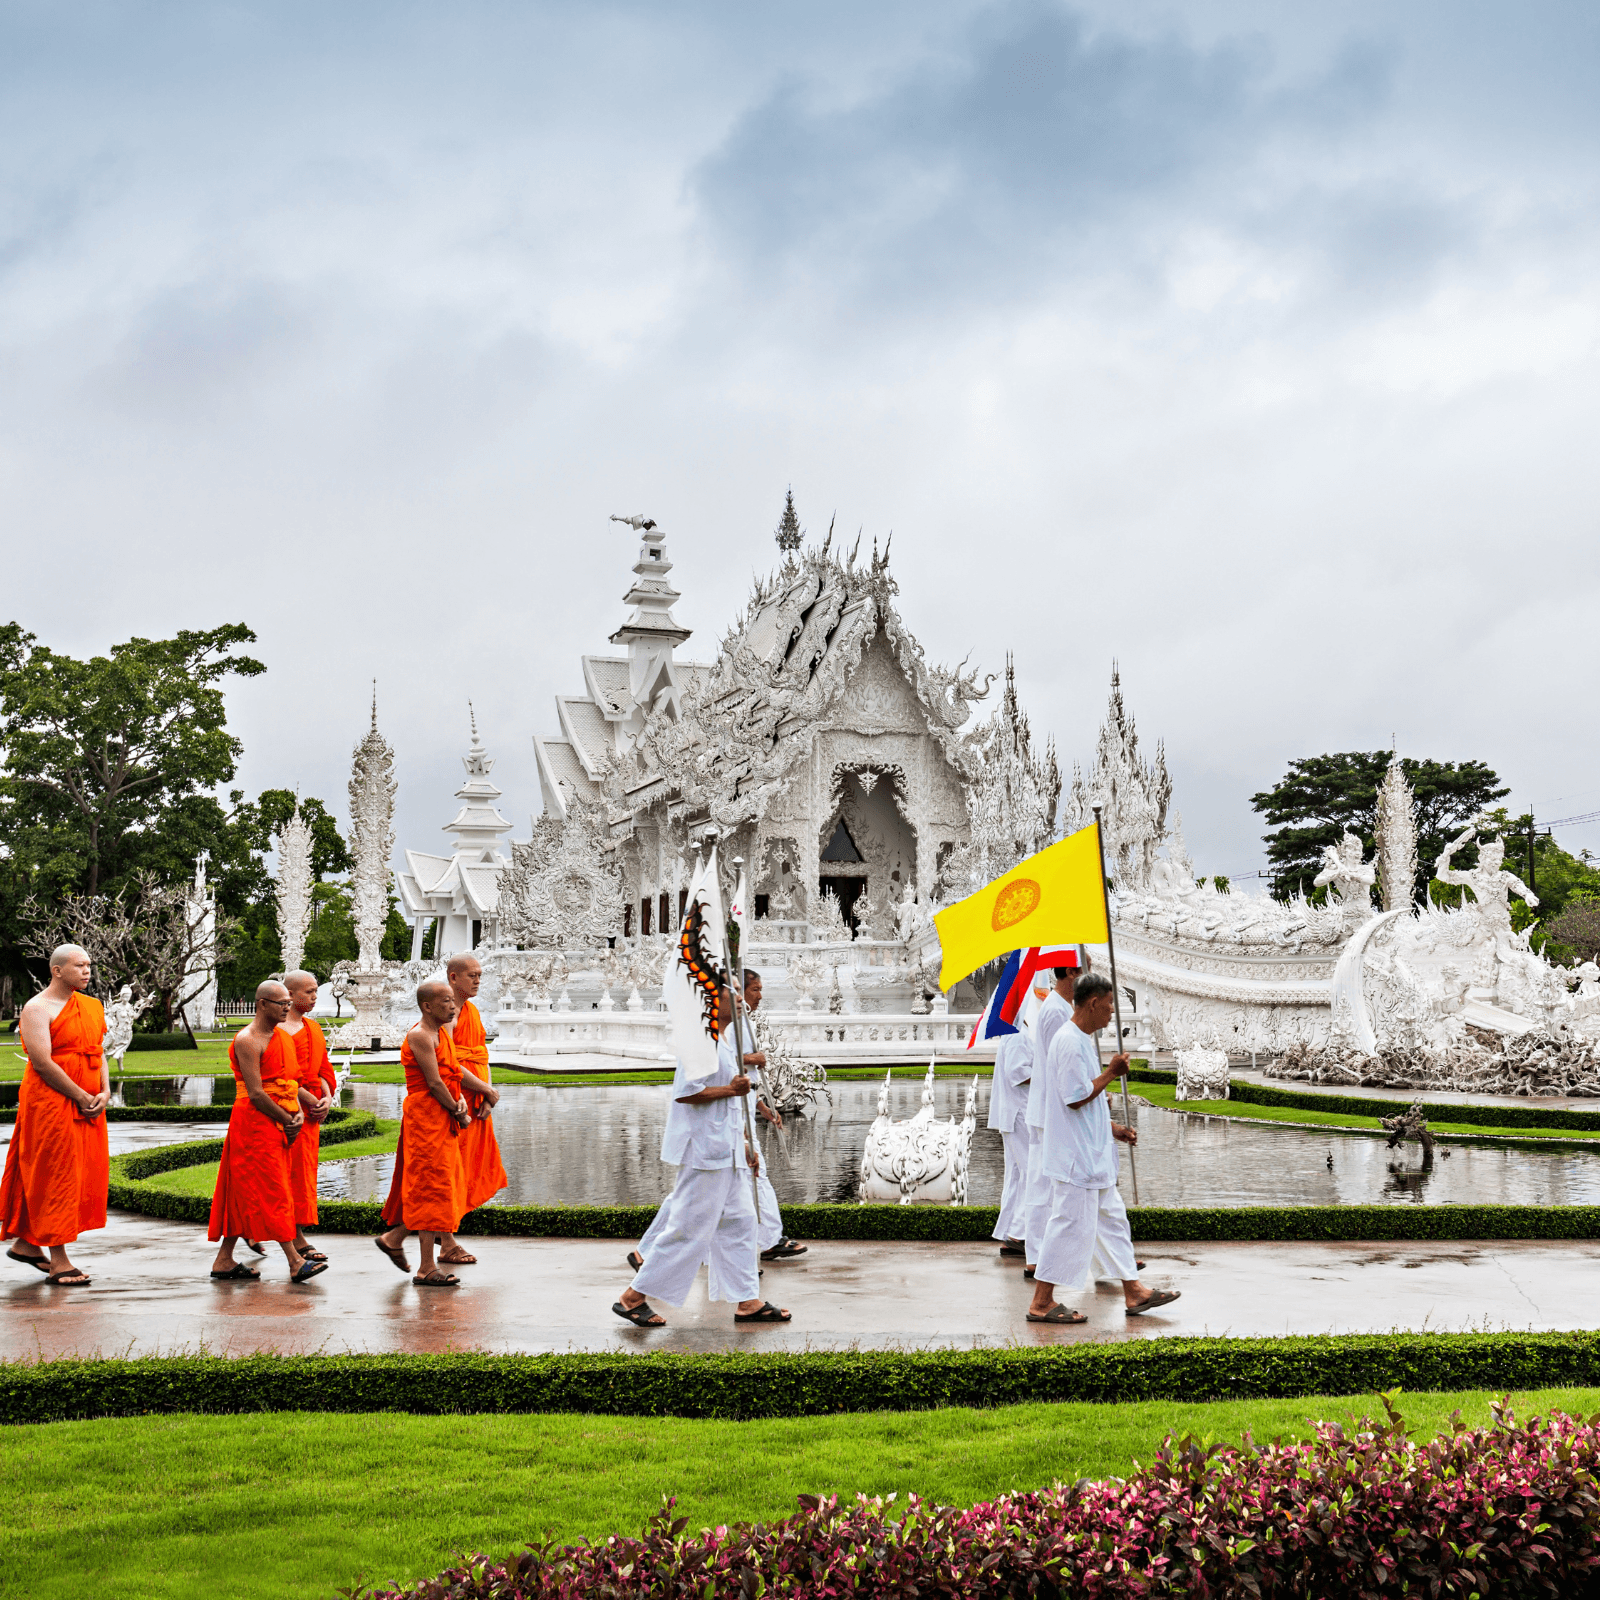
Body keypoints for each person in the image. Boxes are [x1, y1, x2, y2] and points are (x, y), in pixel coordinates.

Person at [614, 983, 790, 1327]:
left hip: (728, 1149)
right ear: (713, 1000)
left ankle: (747, 1301)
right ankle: (631, 1299)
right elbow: (686, 1093)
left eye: (742, 992)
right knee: (688, 1229)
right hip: (705, 1152)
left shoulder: (725, 1041)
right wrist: (730, 1089)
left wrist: (746, 1143)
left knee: (740, 1222)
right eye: (733, 993)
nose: (740, 1000)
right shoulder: (701, 1041)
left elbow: (733, 1104)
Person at [1027, 971, 1179, 1323]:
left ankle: (1134, 1290)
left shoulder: (1080, 1038)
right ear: (1093, 1004)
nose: (1112, 1013)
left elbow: (1085, 1098)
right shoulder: (1068, 1040)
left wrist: (1113, 1129)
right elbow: (1075, 1097)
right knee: (1067, 1225)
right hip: (1075, 1159)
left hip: (1090, 1155)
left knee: (1113, 1222)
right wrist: (1111, 1072)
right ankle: (1041, 1302)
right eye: (1109, 1005)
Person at [1, 944, 108, 1286]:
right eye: (79, 966)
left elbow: (98, 1050)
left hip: (88, 1101)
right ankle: (60, 1260)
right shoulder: (37, 1008)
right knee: (54, 1175)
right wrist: (79, 1095)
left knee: (79, 1174)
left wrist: (104, 1090)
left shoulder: (91, 1006)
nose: (87, 970)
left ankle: (27, 1245)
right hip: (50, 1103)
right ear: (57, 970)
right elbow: (43, 1063)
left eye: (89, 965)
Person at [208, 980, 325, 1283]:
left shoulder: (281, 1038)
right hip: (254, 1122)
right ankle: (295, 1260)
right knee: (275, 1190)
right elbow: (257, 1093)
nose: (287, 1007)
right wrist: (287, 1118)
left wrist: (297, 1113)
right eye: (281, 1003)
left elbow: (291, 1083)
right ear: (262, 1004)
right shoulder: (248, 1040)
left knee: (243, 1191)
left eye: (288, 1002)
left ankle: (224, 1259)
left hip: (281, 1118)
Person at [375, 980, 473, 1288]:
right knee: (430, 1186)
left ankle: (395, 1237)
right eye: (445, 1001)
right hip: (425, 1118)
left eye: (452, 1001)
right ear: (427, 1006)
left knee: (438, 1186)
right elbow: (433, 1083)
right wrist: (459, 1112)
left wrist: (471, 1096)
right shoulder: (419, 1035)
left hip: (439, 1116)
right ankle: (426, 1267)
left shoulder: (440, 1033)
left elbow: (452, 1072)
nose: (453, 1006)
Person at [433, 953, 506, 1269]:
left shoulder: (472, 1011)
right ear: (453, 978)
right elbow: (449, 1063)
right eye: (471, 975)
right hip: (455, 1103)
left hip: (475, 1100)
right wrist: (485, 1090)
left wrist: (488, 1094)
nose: (477, 980)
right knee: (450, 1170)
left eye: (480, 975)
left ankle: (431, 1234)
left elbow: (480, 1055)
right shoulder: (447, 1014)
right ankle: (445, 1240)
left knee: (469, 1167)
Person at [280, 970, 337, 1264]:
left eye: (316, 991)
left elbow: (323, 1069)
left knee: (304, 1175)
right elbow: (281, 1076)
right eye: (309, 992)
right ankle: (294, 1238)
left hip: (313, 1109)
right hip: (288, 1109)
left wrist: (327, 1097)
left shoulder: (313, 1028)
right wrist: (308, 1098)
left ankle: (297, 1231)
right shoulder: (279, 1030)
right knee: (285, 1176)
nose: (315, 997)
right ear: (289, 995)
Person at [989, 979, 1046, 1256]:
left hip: (1015, 1113)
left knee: (1019, 1175)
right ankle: (1018, 1233)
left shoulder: (1017, 1032)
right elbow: (1018, 1074)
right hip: (1018, 1114)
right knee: (1031, 1173)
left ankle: (1010, 1231)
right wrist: (1047, 1076)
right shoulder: (1018, 1035)